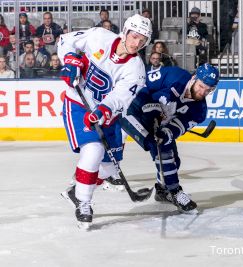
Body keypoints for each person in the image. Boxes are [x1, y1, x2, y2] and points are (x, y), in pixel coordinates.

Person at [58, 14, 152, 228]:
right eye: (135, 36)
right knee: (93, 151)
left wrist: (102, 110)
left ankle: (75, 190)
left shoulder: (136, 70)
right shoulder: (99, 36)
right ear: (126, 31)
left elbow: (119, 97)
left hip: (106, 114)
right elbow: (66, 41)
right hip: (77, 104)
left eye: (142, 40)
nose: (136, 43)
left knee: (109, 168)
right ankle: (83, 202)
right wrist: (70, 60)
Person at [120, 63, 220, 214]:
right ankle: (174, 191)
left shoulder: (199, 111)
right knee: (158, 147)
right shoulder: (174, 75)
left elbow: (177, 127)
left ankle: (162, 190)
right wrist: (150, 106)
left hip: (157, 124)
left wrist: (167, 133)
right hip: (133, 110)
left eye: (208, 90)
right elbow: (142, 83)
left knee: (173, 159)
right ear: (194, 78)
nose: (203, 92)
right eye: (201, 86)